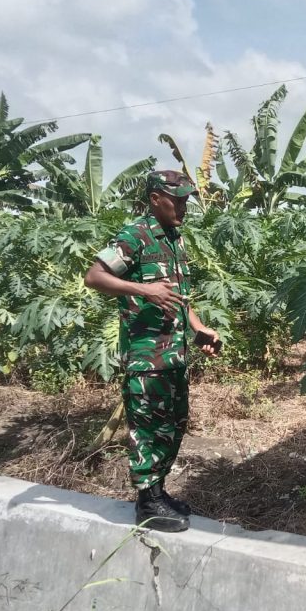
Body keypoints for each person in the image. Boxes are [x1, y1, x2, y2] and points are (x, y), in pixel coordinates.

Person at [84, 170, 220, 533]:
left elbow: (179, 298)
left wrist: (199, 329)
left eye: (187, 200)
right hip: (146, 357)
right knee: (147, 429)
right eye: (177, 199)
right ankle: (147, 501)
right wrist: (144, 291)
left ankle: (159, 491)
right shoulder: (135, 236)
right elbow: (94, 277)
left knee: (172, 426)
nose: (183, 206)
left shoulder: (175, 240)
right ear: (155, 197)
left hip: (173, 356)